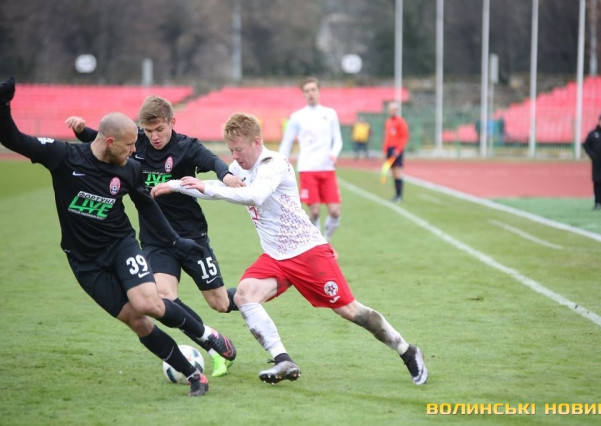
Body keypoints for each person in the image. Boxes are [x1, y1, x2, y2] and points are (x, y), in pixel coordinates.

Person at [151, 112, 428, 386]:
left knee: (350, 311)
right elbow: (212, 185)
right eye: (230, 150)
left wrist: (206, 188)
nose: (234, 156)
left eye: (238, 149)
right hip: (275, 257)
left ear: (256, 141)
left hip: (308, 253)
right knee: (245, 295)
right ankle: (283, 359)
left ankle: (407, 351)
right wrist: (175, 185)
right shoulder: (238, 168)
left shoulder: (275, 164)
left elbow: (254, 195)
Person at [0, 77, 236, 397]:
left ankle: (206, 336)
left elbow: (147, 205)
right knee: (137, 321)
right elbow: (13, 139)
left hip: (121, 245)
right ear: (110, 142)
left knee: (150, 303)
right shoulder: (63, 157)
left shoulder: (130, 168)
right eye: (130, 146)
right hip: (84, 261)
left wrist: (175, 241)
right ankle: (194, 375)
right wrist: (3, 106)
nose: (135, 151)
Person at [65, 95, 243, 377]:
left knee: (219, 303)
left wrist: (228, 177)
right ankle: (213, 346)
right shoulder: (136, 143)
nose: (154, 137)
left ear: (172, 122)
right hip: (155, 239)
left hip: (192, 236)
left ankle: (249, 295)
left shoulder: (187, 147)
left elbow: (213, 161)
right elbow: (104, 141)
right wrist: (80, 131)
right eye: (148, 131)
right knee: (164, 298)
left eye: (159, 129)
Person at [279, 77, 343, 243]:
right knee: (314, 212)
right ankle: (318, 245)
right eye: (307, 91)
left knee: (335, 211)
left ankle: (326, 240)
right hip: (307, 168)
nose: (310, 93)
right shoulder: (297, 117)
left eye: (313, 90)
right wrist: (280, 163)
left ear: (319, 91)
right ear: (303, 94)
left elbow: (338, 140)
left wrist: (334, 153)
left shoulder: (330, 114)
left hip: (327, 168)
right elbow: (287, 142)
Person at [382, 102, 409, 203]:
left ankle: (399, 196)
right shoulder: (388, 121)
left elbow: (404, 137)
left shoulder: (401, 122)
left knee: (398, 172)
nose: (391, 111)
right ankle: (396, 195)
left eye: (393, 109)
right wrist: (385, 150)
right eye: (390, 109)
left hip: (396, 150)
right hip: (389, 149)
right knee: (393, 172)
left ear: (397, 110)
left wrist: (398, 149)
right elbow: (387, 137)